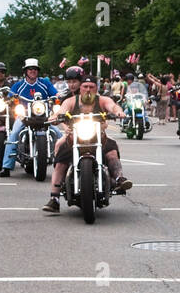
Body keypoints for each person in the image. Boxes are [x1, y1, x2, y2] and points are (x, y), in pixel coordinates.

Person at [41, 73, 133, 213]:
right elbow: (61, 111)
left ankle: (119, 178)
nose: (88, 90)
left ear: (96, 88)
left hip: (98, 137)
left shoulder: (102, 100)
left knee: (112, 152)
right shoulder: (71, 101)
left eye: (91, 86)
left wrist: (118, 112)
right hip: (74, 138)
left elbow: (113, 107)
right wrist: (54, 117)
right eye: (85, 86)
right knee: (61, 161)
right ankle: (54, 198)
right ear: (80, 88)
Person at [0, 58, 59, 177]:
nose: (33, 71)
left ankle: (64, 164)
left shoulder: (45, 83)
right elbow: (10, 96)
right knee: (14, 133)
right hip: (24, 116)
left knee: (58, 133)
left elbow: (55, 94)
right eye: (30, 69)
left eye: (35, 69)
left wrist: (57, 97)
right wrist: (11, 99)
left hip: (44, 116)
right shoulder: (19, 85)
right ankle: (6, 167)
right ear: (25, 71)